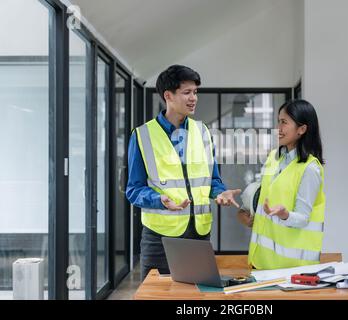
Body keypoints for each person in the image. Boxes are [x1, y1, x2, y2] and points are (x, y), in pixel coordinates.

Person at [126, 65, 241, 281]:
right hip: (159, 239)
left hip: (198, 235)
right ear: (168, 96)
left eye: (195, 92)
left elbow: (212, 179)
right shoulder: (142, 136)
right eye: (187, 92)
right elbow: (134, 189)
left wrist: (220, 192)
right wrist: (159, 199)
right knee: (156, 296)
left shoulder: (203, 131)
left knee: (196, 296)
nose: (194, 98)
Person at [238, 99, 326, 270]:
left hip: (292, 270)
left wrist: (286, 215)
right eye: (278, 121)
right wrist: (247, 211)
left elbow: (303, 218)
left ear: (302, 129)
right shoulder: (274, 158)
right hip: (261, 263)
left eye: (284, 122)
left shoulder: (310, 169)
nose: (278, 128)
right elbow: (264, 196)